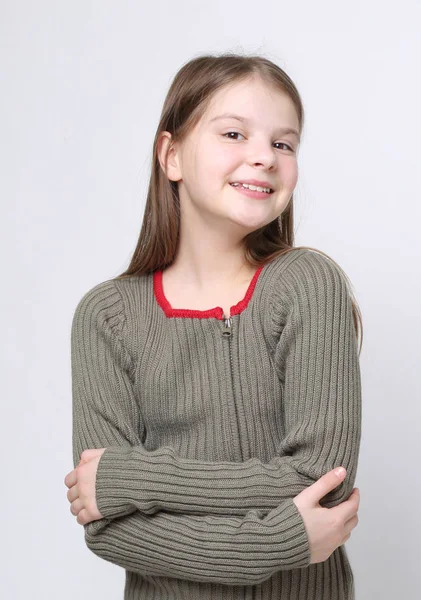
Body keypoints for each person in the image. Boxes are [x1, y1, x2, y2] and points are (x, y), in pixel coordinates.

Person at [63, 53, 363, 600]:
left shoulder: (307, 284)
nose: (263, 158)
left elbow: (318, 480)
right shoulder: (107, 316)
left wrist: (131, 478)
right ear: (171, 154)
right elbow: (108, 528)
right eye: (233, 133)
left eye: (283, 143)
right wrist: (281, 540)